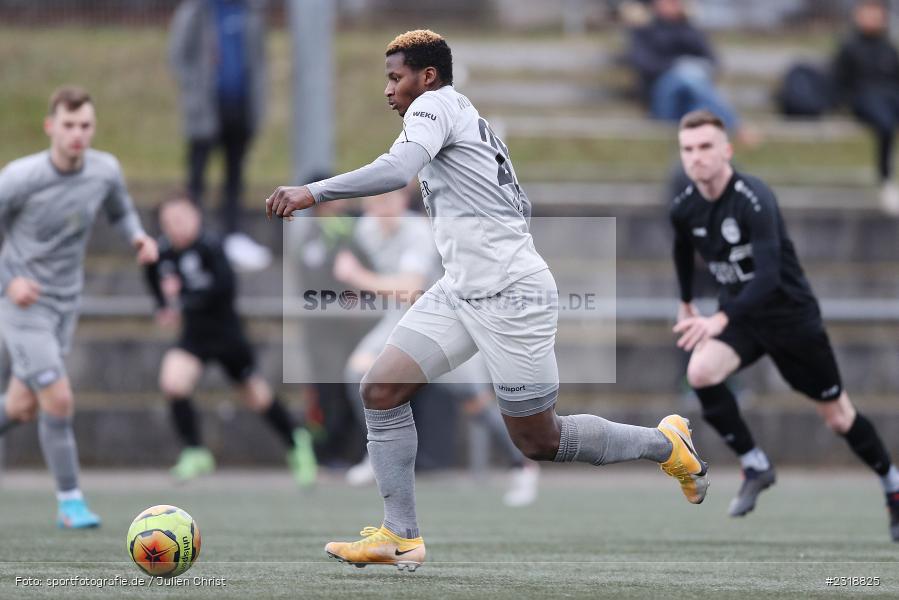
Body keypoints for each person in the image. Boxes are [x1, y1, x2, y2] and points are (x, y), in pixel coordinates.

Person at [266, 29, 709, 571]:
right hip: (460, 289)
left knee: (539, 441)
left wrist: (315, 192)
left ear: (427, 77)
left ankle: (667, 445)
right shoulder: (455, 111)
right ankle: (400, 535)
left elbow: (397, 172)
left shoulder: (432, 107)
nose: (389, 90)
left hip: (510, 294)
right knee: (380, 389)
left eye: (395, 76)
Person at [670, 109, 899, 541]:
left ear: (726, 150)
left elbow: (769, 275)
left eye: (705, 147)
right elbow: (683, 250)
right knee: (700, 371)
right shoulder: (684, 207)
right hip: (743, 320)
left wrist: (719, 316)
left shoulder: (754, 198)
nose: (696, 157)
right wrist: (686, 304)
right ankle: (755, 463)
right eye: (687, 149)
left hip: (790, 319)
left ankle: (893, 485)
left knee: (838, 417)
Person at [0, 86, 159, 528]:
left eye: (85, 126)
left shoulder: (104, 170)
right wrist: (9, 281)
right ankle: (70, 502)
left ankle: (69, 500)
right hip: (22, 307)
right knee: (59, 397)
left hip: (64, 305)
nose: (77, 134)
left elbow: (121, 210)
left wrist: (137, 237)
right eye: (68, 125)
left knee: (20, 407)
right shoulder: (19, 177)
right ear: (51, 126)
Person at [336, 189, 540, 507]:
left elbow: (409, 287)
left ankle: (524, 465)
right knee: (358, 373)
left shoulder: (418, 232)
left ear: (402, 201)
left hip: (439, 322)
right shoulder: (366, 229)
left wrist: (357, 276)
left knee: (476, 403)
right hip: (399, 320)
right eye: (373, 202)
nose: (380, 209)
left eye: (387, 201)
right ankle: (379, 457)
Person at [145, 193, 316, 486]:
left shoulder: (211, 247)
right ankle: (195, 450)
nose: (176, 226)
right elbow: (150, 270)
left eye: (182, 219)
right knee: (173, 383)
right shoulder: (163, 252)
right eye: (169, 222)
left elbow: (223, 288)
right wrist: (162, 304)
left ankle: (297, 441)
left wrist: (182, 300)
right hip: (193, 336)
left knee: (256, 396)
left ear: (196, 217)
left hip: (227, 336)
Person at [169, 0, 272, 271]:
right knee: (197, 178)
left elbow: (259, 59)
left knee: (235, 176)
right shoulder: (196, 11)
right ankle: (192, 240)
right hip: (205, 110)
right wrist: (197, 89)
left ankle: (232, 237)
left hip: (240, 108)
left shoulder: (250, 11)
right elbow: (179, 56)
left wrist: (257, 105)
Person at [626, 0, 757, 145]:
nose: (672, 4)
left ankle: (721, 146)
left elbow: (713, 63)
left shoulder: (691, 31)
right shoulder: (645, 31)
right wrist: (679, 66)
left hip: (691, 102)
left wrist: (688, 69)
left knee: (697, 93)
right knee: (687, 74)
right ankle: (736, 126)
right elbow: (645, 64)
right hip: (662, 102)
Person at [832, 0, 899, 215]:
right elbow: (838, 81)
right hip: (864, 99)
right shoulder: (849, 47)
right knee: (886, 125)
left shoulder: (888, 48)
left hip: (890, 97)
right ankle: (885, 181)